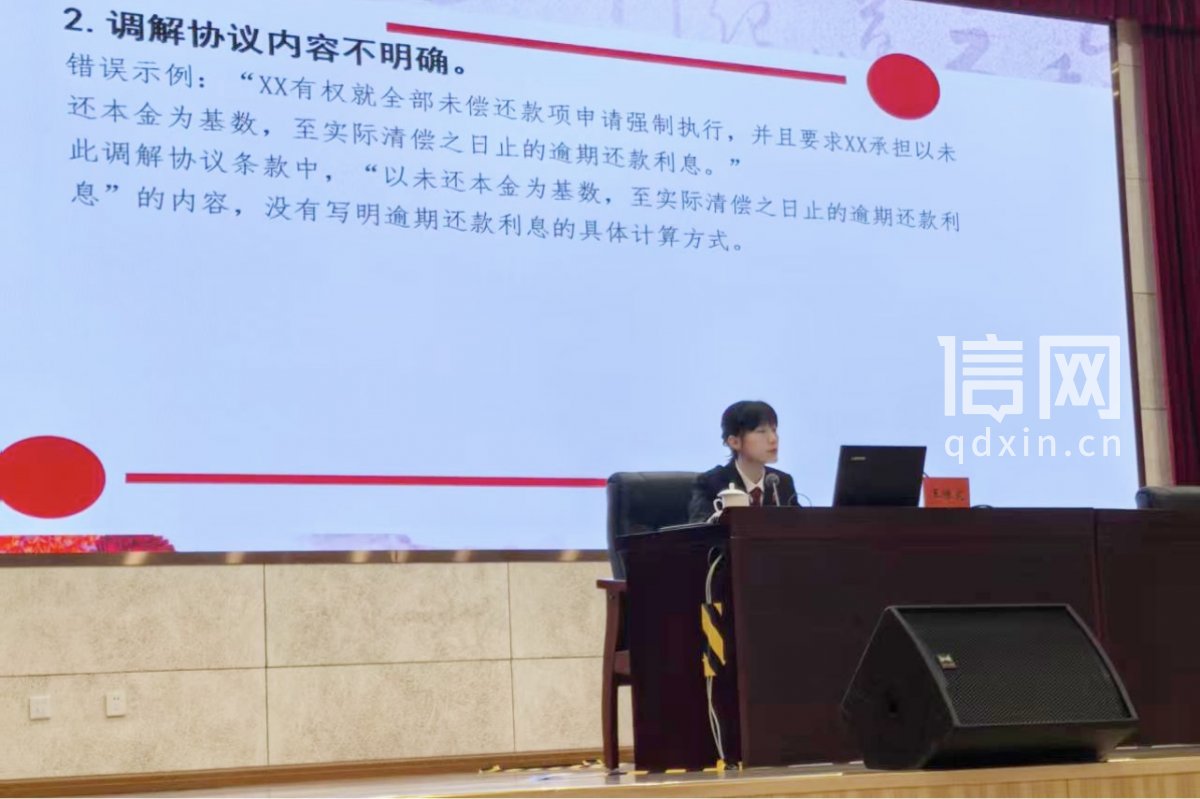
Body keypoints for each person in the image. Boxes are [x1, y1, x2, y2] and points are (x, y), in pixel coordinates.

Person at [688, 400, 799, 522]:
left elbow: (800, 527)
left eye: (774, 430)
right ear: (734, 442)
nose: (773, 439)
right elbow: (698, 528)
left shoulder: (781, 483)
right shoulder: (711, 483)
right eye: (761, 431)